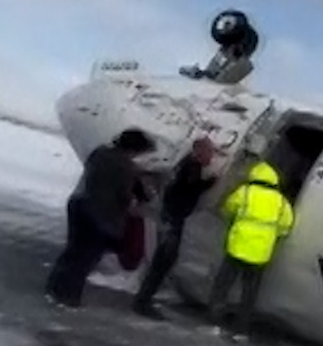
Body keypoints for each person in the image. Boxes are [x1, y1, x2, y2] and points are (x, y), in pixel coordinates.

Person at [45, 128, 155, 309]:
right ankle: (69, 297)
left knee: (72, 252)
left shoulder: (100, 152)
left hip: (79, 205)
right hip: (99, 217)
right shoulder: (126, 167)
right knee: (85, 260)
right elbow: (124, 196)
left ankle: (54, 288)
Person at [208, 159, 294, 339]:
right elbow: (286, 226)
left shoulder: (245, 192)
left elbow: (227, 209)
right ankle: (241, 330)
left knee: (222, 286)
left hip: (237, 248)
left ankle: (215, 323)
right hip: (260, 255)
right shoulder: (281, 202)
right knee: (249, 295)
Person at [133, 135, 217, 319]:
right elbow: (190, 187)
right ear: (199, 152)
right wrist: (210, 182)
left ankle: (143, 298)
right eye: (209, 152)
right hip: (173, 219)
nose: (211, 157)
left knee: (163, 261)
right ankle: (143, 300)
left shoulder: (185, 165)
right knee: (163, 261)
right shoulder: (192, 167)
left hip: (171, 217)